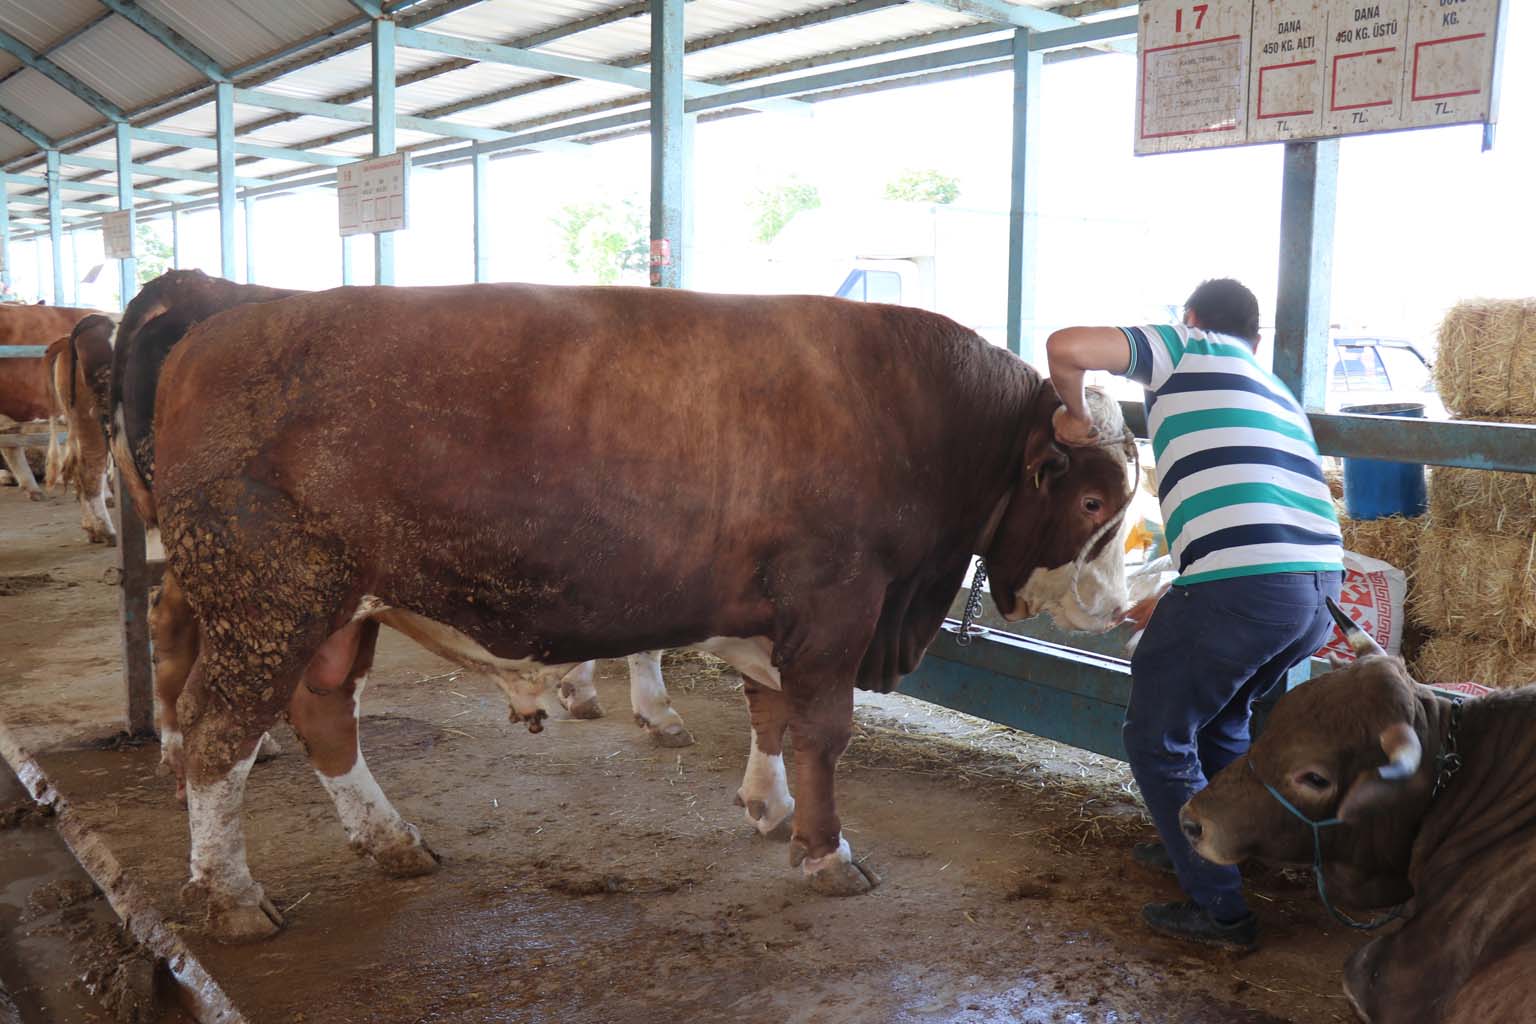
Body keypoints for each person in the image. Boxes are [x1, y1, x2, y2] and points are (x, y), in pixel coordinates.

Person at [1044, 278, 1343, 951]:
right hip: (1317, 590)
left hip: (1244, 586)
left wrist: (1075, 418)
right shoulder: (1271, 388)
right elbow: (1241, 506)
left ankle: (1220, 911)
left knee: (1156, 737)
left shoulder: (1188, 348)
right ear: (1258, 338)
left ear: (1192, 319)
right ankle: (1211, 844)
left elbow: (1066, 347)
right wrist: (1176, 595)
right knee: (1222, 720)